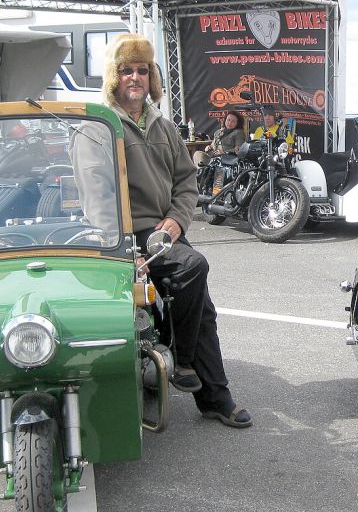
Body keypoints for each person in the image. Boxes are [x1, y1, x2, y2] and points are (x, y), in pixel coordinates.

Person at [96, 33, 251, 428]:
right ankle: (181, 363)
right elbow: (96, 195)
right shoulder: (100, 126)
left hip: (164, 231)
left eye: (142, 70)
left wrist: (178, 220)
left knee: (203, 307)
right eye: (127, 70)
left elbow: (187, 180)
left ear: (152, 77)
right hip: (123, 235)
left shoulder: (162, 126)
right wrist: (122, 248)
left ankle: (212, 396)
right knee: (194, 268)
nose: (135, 77)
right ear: (114, 76)